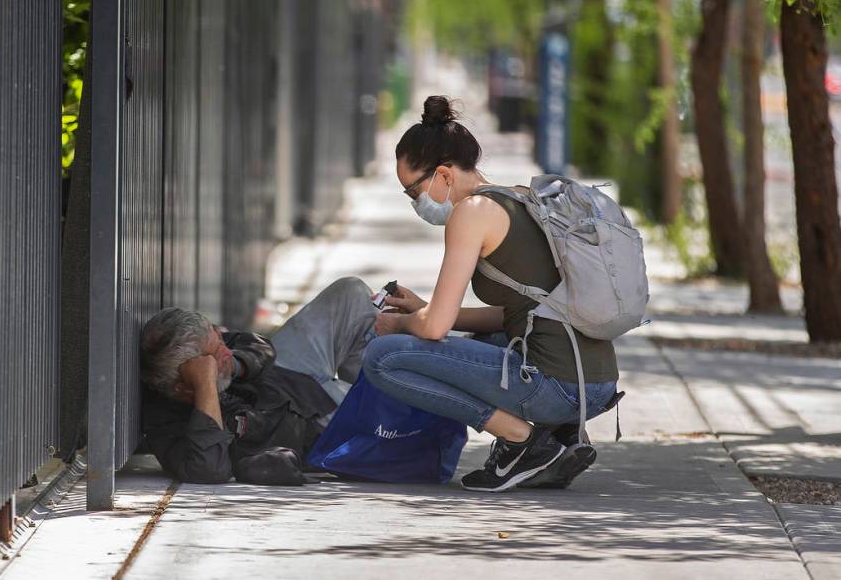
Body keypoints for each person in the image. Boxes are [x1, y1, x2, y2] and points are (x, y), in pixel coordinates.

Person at [362, 95, 621, 492]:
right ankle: (558, 435)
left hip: (559, 386)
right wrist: (424, 309)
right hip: (595, 383)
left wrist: (397, 323)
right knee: (478, 338)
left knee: (384, 357)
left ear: (444, 176)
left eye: (413, 191)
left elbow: (433, 331)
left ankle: (525, 442)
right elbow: (514, 313)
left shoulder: (471, 213)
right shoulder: (518, 197)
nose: (416, 203)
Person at [139, 277, 378, 484]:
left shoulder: (211, 347)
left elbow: (261, 347)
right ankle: (381, 401)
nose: (226, 350)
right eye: (215, 354)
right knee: (384, 425)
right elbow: (209, 470)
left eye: (220, 341)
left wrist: (234, 366)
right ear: (183, 383)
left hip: (289, 373)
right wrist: (206, 388)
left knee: (352, 292)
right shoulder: (167, 426)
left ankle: (375, 385)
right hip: (313, 421)